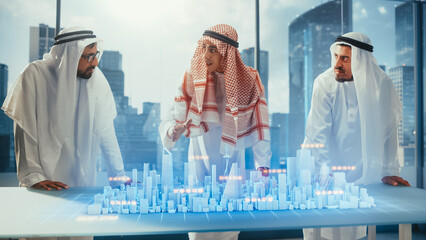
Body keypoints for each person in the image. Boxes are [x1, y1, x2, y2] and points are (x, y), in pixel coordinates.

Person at [159, 24, 272, 240]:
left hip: (232, 167)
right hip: (200, 163)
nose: (206, 55)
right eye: (204, 48)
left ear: (227, 52)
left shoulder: (249, 80)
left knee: (228, 230)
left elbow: (261, 125)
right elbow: (171, 115)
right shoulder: (193, 77)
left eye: (213, 49)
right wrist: (172, 130)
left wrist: (263, 166)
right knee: (200, 229)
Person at [302, 32, 410, 240]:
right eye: (336, 57)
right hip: (324, 172)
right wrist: (323, 170)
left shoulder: (382, 85)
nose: (337, 64)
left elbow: (389, 130)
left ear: (361, 61)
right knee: (320, 231)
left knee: (352, 232)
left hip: (361, 174)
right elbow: (318, 133)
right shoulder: (324, 83)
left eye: (345, 58)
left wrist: (388, 170)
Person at [2, 26, 127, 191]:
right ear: (70, 56)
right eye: (89, 56)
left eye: (95, 55)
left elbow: (106, 132)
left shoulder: (96, 81)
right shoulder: (34, 75)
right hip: (43, 185)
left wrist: (119, 176)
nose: (95, 63)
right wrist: (34, 177)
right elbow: (25, 130)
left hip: (82, 185)